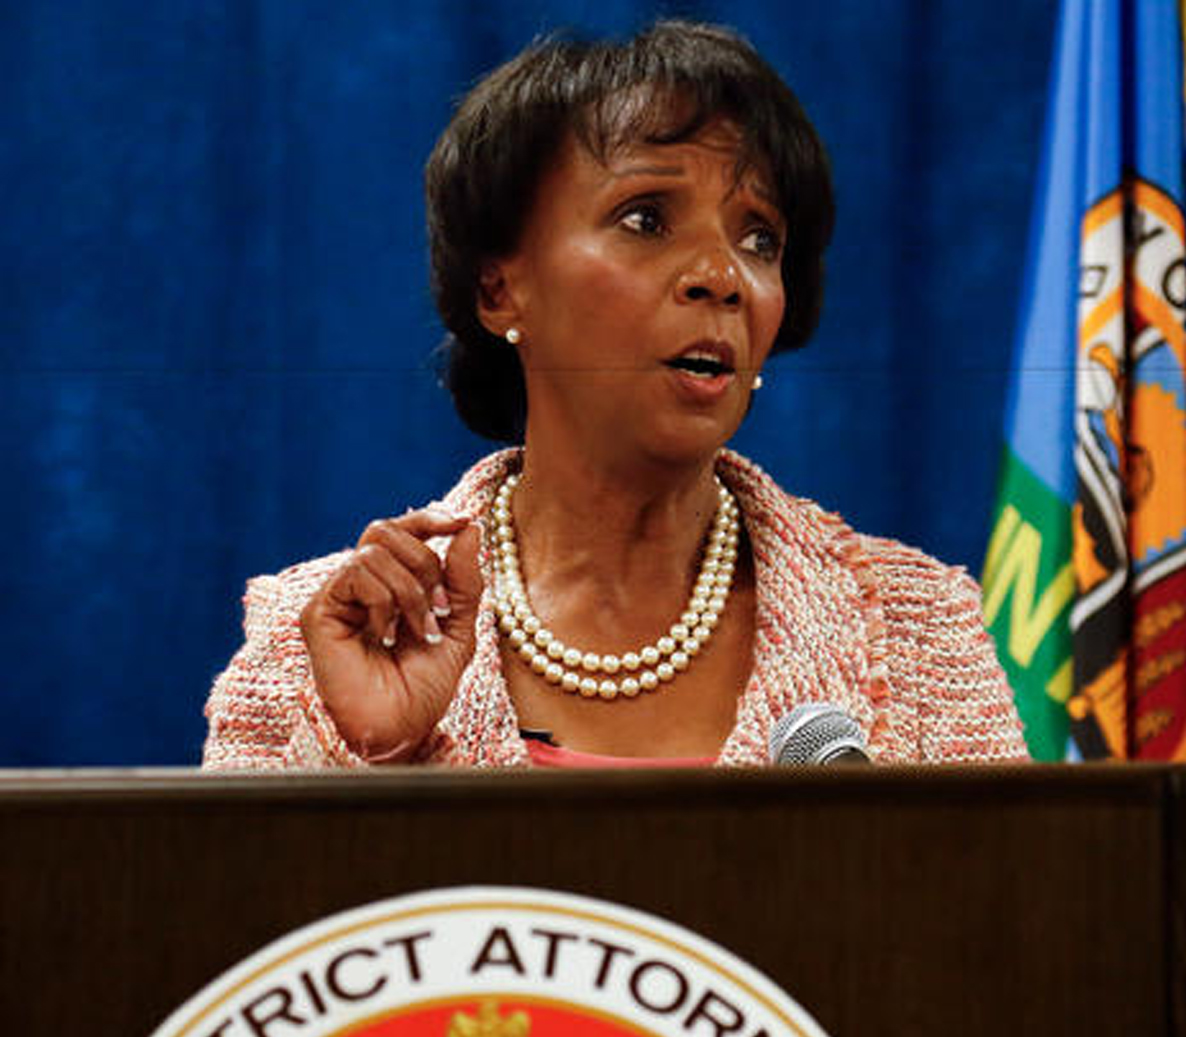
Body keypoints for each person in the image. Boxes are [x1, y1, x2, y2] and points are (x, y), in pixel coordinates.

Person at [202, 22, 1026, 768]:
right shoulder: (313, 642)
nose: (720, 277)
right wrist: (370, 755)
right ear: (500, 290)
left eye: (759, 238)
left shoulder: (919, 632)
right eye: (645, 219)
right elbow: (264, 932)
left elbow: (1009, 930)